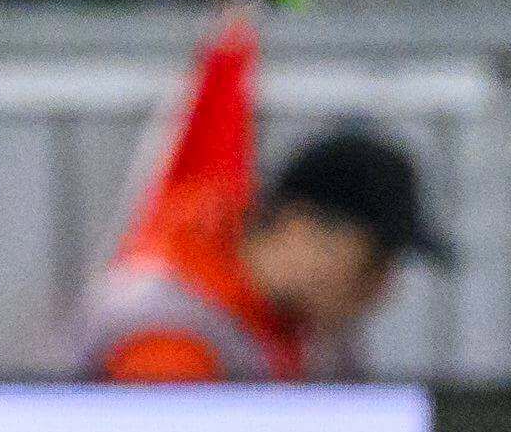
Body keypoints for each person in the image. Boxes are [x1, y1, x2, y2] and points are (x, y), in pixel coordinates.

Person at [77, 129, 449, 382]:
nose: (382, 290)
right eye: (373, 264)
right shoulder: (171, 340)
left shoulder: (296, 325)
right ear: (304, 230)